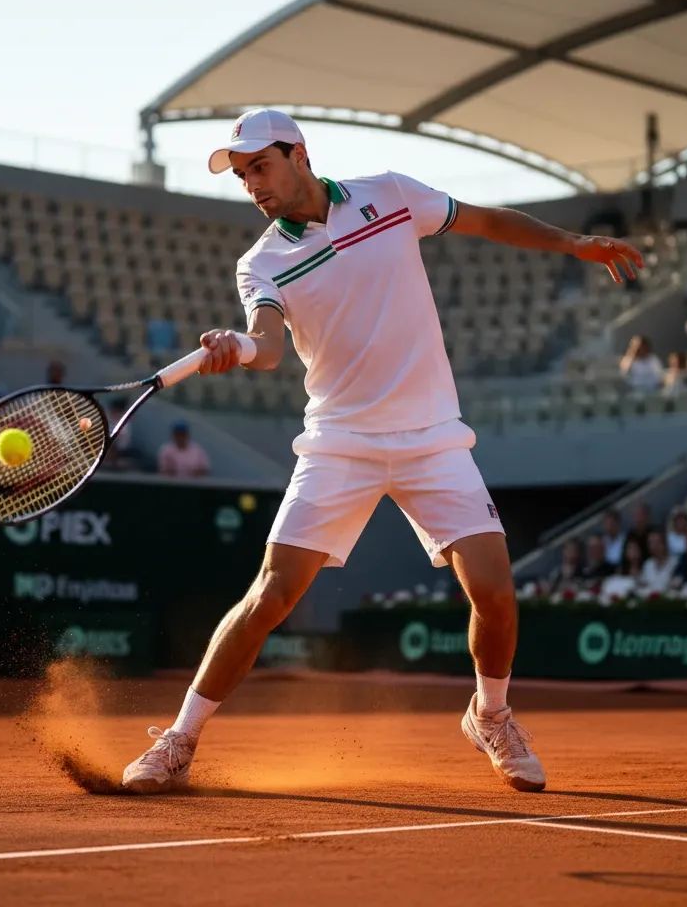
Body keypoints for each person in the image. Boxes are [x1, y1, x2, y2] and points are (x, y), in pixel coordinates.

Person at [121, 107, 644, 794]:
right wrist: (237, 346)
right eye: (243, 175)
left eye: (261, 166)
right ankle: (179, 739)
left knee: (494, 592)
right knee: (271, 596)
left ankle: (490, 715)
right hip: (340, 442)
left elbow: (485, 220)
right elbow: (270, 345)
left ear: (298, 153)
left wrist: (576, 244)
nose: (253, 184)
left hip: (432, 436)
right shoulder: (261, 262)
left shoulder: (390, 194)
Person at [640, 530, 677, 595]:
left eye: (657, 542)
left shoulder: (674, 562)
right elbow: (643, 585)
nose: (654, 546)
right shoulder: (647, 564)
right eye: (651, 543)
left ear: (664, 544)